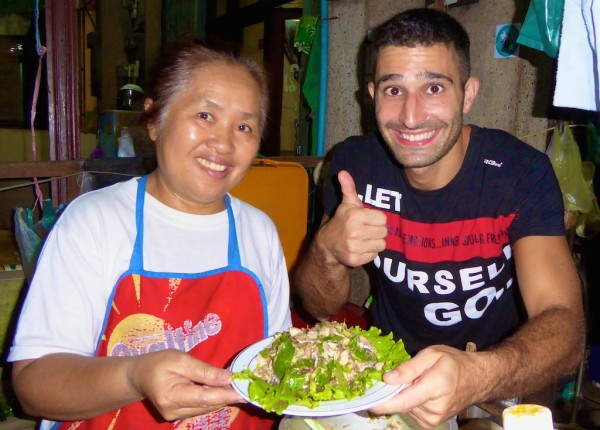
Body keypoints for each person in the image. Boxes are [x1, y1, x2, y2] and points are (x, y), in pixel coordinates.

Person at [294, 7, 584, 429]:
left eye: (433, 87)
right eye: (394, 91)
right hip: (389, 374)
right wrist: (328, 252)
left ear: (468, 94)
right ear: (373, 95)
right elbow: (319, 307)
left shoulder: (519, 174)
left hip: (496, 375)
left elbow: (565, 322)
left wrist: (479, 374)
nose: (411, 117)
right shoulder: (353, 165)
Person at [8, 40, 292, 429]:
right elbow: (32, 383)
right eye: (206, 116)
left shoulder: (259, 231)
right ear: (154, 120)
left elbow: (278, 363)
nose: (224, 144)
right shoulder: (96, 222)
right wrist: (133, 376)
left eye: (244, 126)